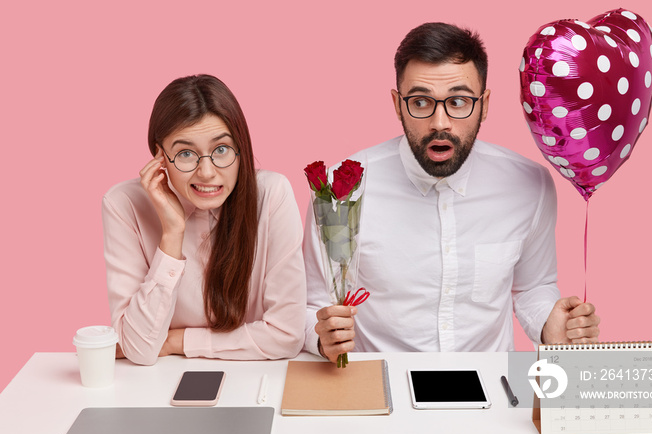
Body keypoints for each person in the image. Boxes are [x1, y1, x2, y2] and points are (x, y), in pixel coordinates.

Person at [303, 23, 600, 364]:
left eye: (458, 101)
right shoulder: (341, 188)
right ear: (397, 105)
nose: (440, 122)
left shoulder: (530, 185)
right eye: (420, 102)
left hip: (494, 390)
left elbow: (533, 286)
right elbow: (313, 301)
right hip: (382, 391)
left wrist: (551, 325)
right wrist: (321, 336)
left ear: (484, 104)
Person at [103, 74, 305, 365]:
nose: (207, 172)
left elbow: (286, 335)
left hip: (255, 380)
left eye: (221, 149)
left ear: (241, 148)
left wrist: (177, 341)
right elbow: (138, 348)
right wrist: (172, 233)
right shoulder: (124, 205)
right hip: (156, 385)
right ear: (160, 156)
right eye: (186, 153)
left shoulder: (272, 195)